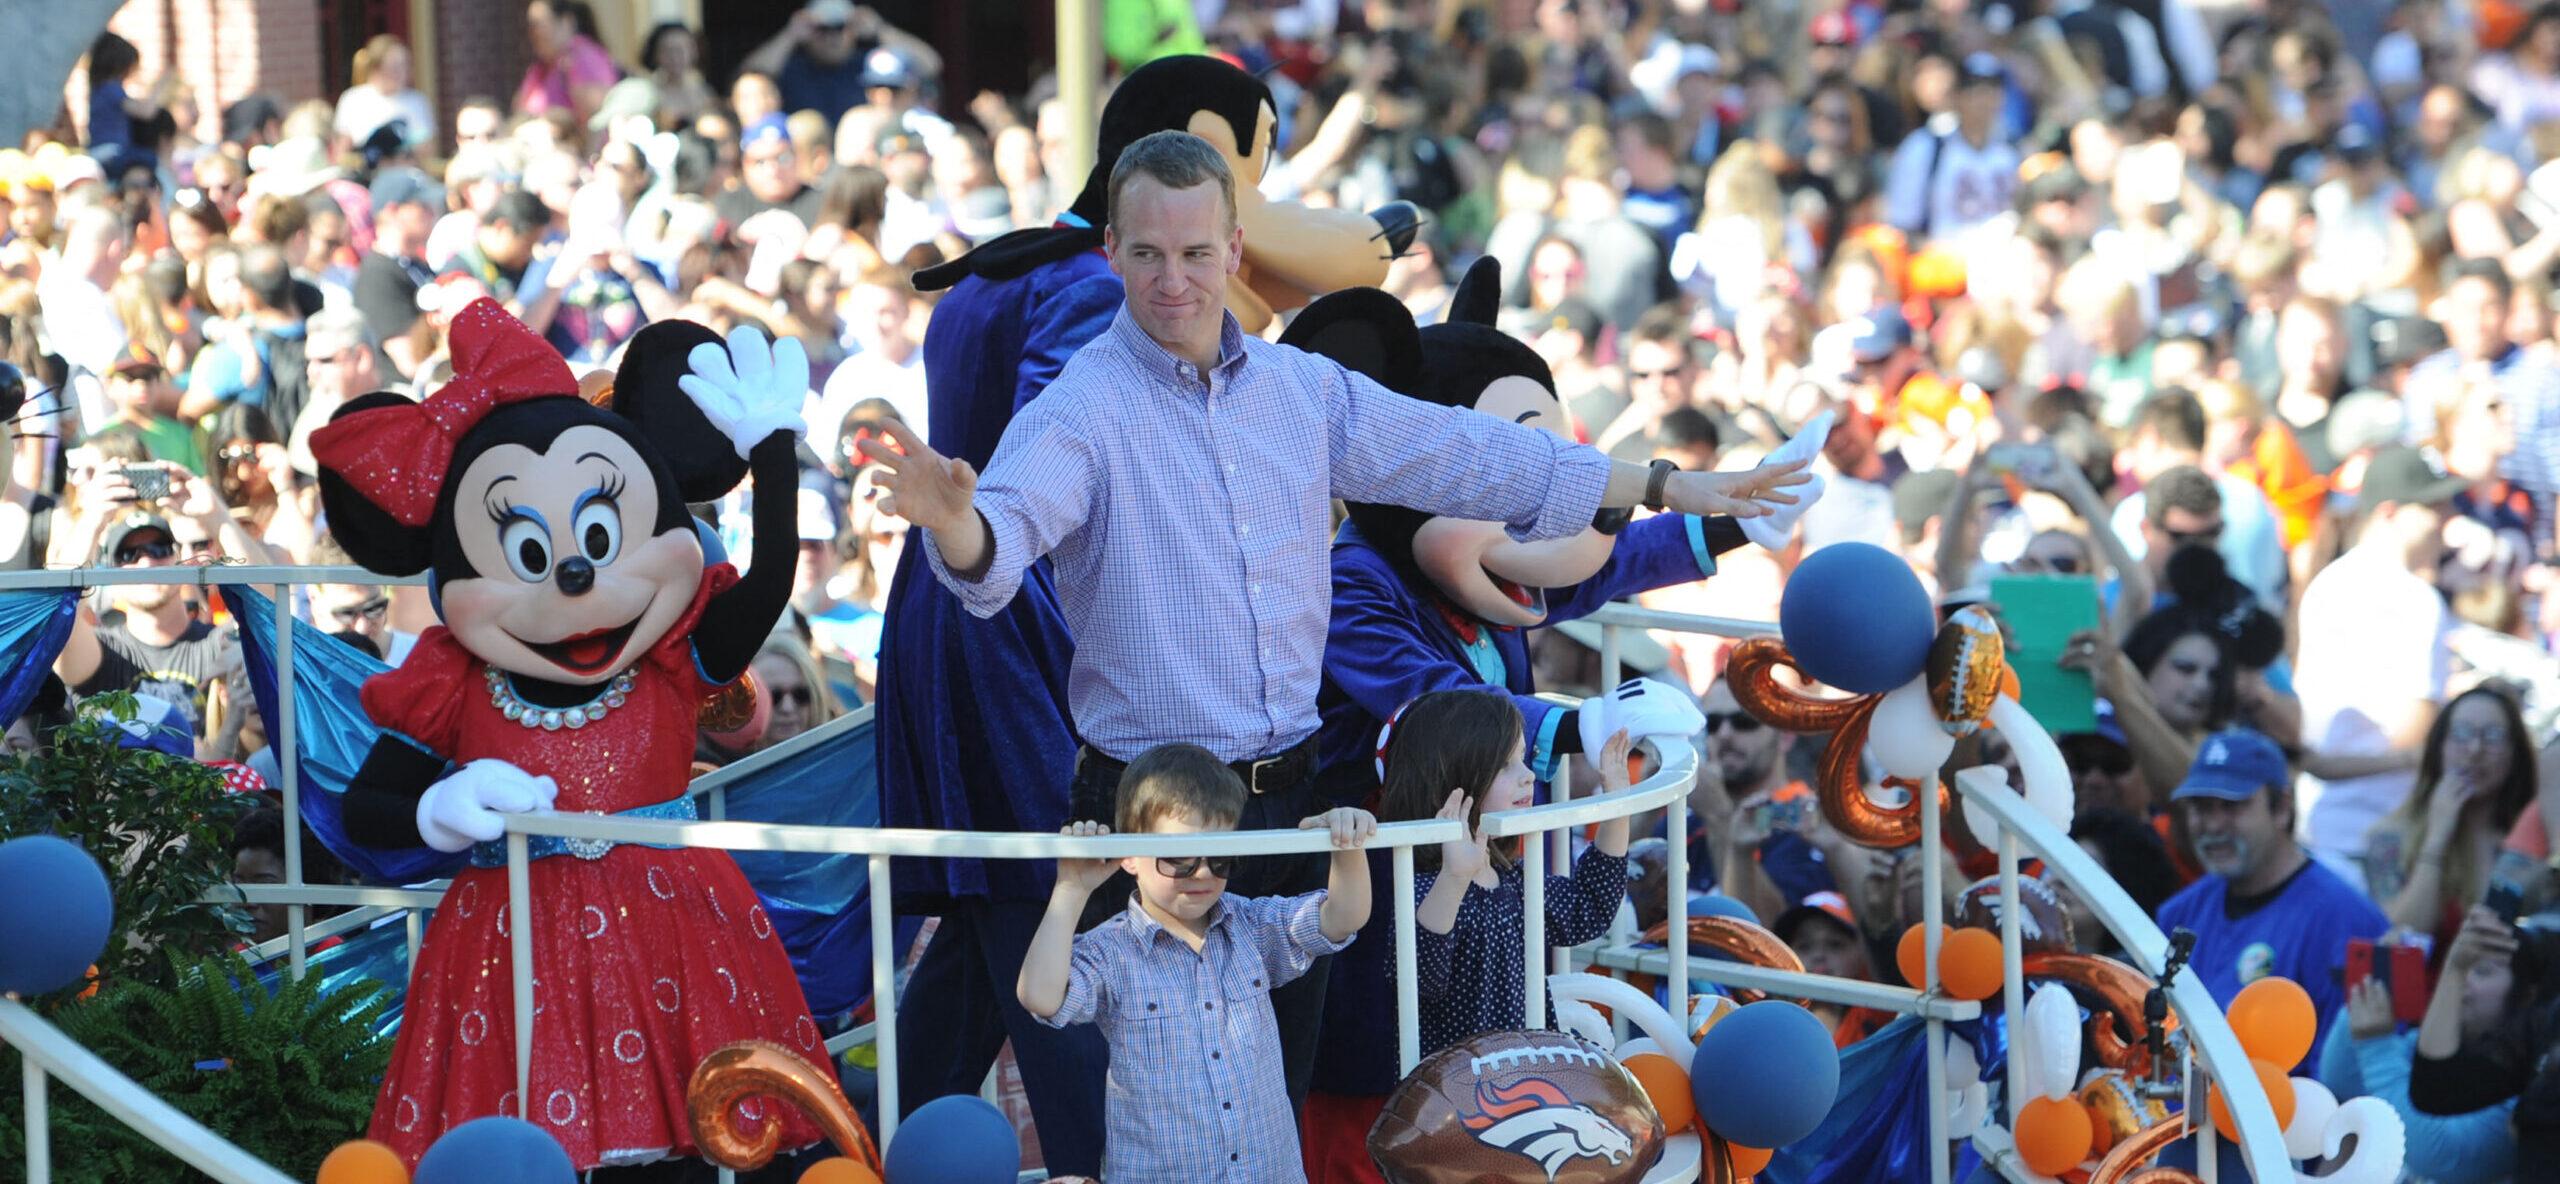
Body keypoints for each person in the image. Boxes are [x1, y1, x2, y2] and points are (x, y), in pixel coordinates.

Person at [864, 129, 1806, 1106]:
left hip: (1298, 800)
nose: (1171, 279)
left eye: (1194, 253)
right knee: (1164, 1114)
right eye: (1147, 253)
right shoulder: (1078, 409)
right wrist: (956, 522)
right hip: (1152, 811)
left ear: (1232, 251)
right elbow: (999, 546)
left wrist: (1661, 481)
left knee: (1280, 1091)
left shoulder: (1299, 388)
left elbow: (1472, 453)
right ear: (1112, 250)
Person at [1302, 691, 1633, 1182]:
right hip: (1454, 1105)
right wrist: (1453, 879)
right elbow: (1420, 977)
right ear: (1454, 777)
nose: (1528, 776)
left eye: (1523, 760)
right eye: (1506, 765)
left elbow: (1589, 908)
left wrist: (1616, 803)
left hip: (1518, 1085)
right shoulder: (1412, 881)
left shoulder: (1512, 877)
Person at [1019, 744, 1376, 1183]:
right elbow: (1039, 996)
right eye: (1179, 859)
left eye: (1220, 857)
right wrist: (1071, 889)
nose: (1203, 874)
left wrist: (1347, 847)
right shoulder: (1112, 949)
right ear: (1128, 855)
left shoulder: (1251, 924)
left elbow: (1342, 918)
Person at [2155, 728, 2388, 1073]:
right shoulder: (2178, 913)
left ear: (2282, 807)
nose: (2214, 825)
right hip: (2178, 1121)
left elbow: (2348, 1074)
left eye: (2232, 806)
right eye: (2201, 808)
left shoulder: (2350, 921)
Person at [2297, 447, 2460, 886]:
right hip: (2381, 834)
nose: (2445, 520)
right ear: (2388, 512)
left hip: (2319, 827)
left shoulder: (2326, 583)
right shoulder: (2416, 600)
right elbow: (2413, 733)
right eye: (2430, 507)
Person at [2320, 917, 2525, 1184]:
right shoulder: (2434, 1044)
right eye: (2458, 967)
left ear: (2528, 992)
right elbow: (2344, 1085)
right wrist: (2367, 994)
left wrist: (2376, 1045)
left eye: (2482, 971)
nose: (2459, 981)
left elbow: (2443, 1154)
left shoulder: (2527, 1079)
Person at [2362, 689, 2540, 946]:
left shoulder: (2530, 835)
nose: (2475, 750)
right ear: (2438, 748)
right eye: (2461, 734)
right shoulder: (2392, 835)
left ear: (2515, 752)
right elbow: (2404, 935)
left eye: (2493, 737)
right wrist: (2437, 836)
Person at [2410, 907, 2560, 1164]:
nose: (2468, 981)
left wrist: (2374, 1047)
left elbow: (2436, 1150)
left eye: (2482, 972)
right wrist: (2455, 967)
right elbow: (2436, 1088)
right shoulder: (2548, 1022)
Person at [741, 0, 944, 127]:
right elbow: (749, 77)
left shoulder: (869, 63)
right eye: (823, 29)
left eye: (840, 27)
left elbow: (930, 65)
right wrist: (790, 35)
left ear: (853, 28)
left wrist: (880, 29)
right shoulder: (792, 67)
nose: (832, 36)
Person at [515, 0, 620, 125]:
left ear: (566, 22)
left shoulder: (583, 56)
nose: (535, 33)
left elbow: (599, 110)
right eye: (532, 25)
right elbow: (520, 108)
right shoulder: (542, 68)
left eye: (541, 24)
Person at [334, 35, 435, 150]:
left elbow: (427, 148)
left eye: (405, 65)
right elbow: (342, 149)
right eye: (395, 67)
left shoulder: (417, 101)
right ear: (376, 68)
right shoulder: (353, 100)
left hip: (406, 166)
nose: (403, 72)